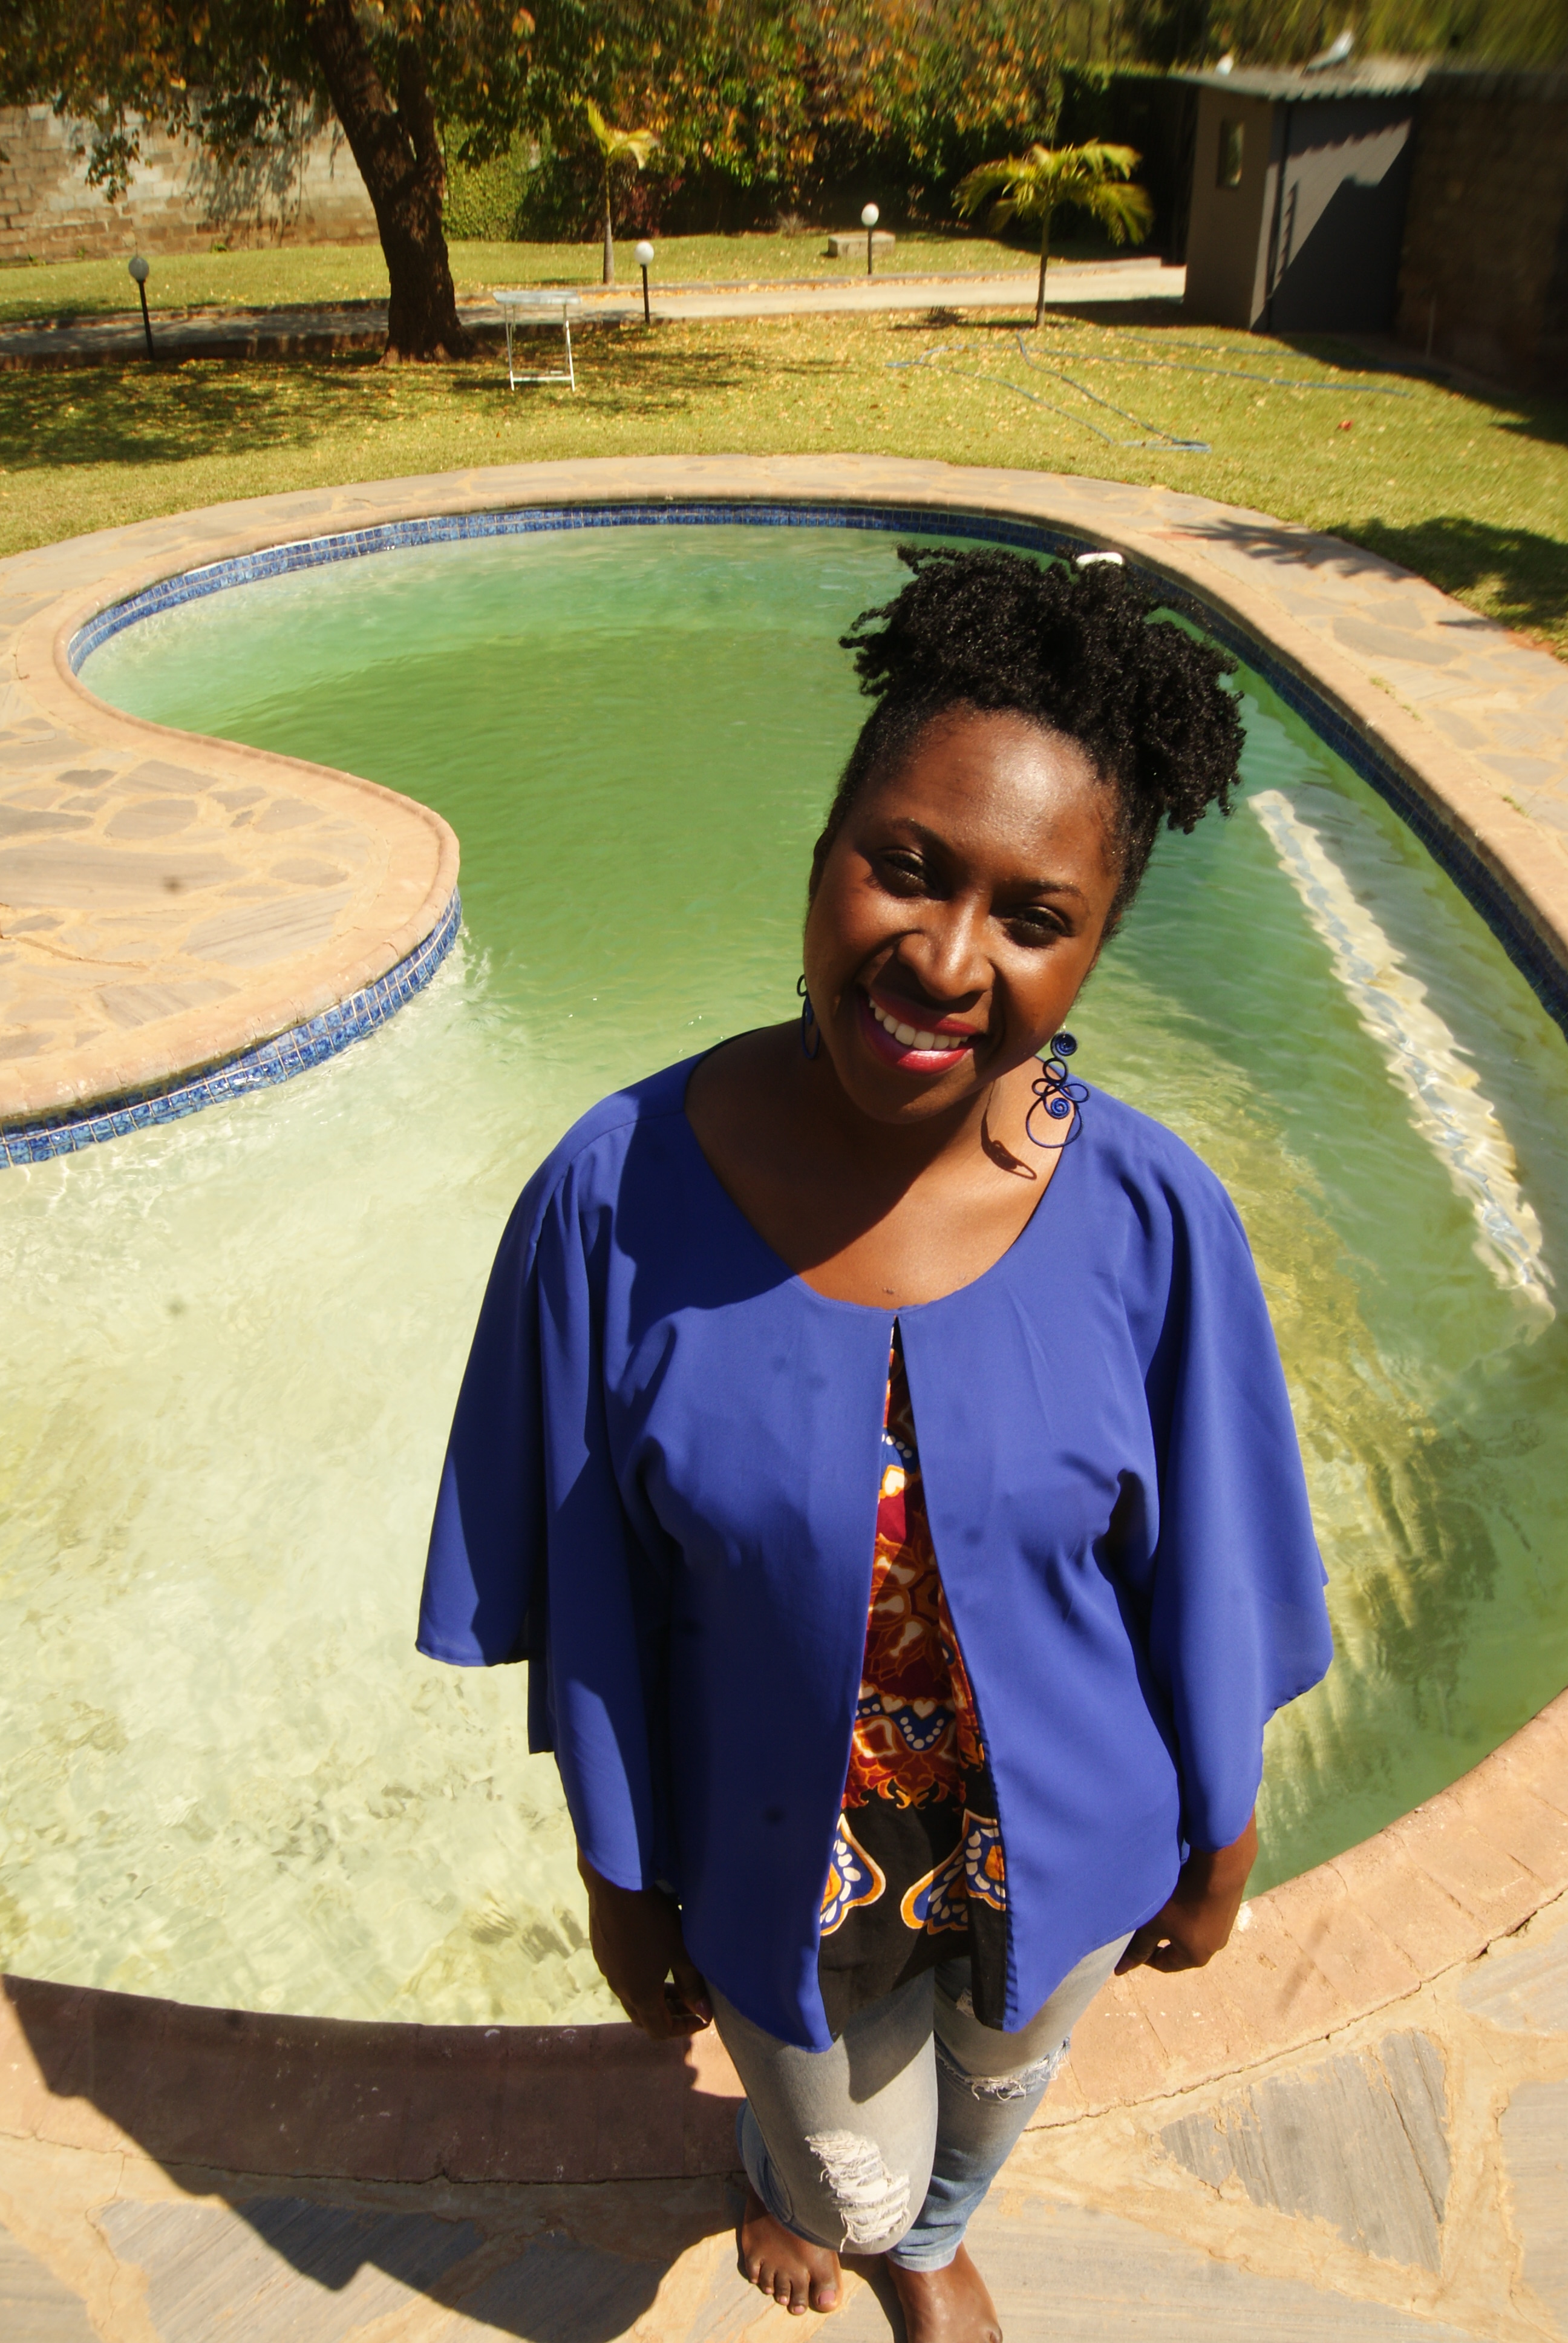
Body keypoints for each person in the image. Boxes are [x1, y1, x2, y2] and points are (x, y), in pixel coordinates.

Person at [418, 546, 1333, 2343]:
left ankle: (929, 2241)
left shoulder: (1154, 1219)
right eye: (906, 867)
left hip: (1061, 1834)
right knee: (840, 2164)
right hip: (777, 1848)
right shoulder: (613, 1198)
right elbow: (590, 1593)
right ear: (824, 843)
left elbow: (1214, 1568)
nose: (946, 958)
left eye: (1033, 915)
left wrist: (1221, 1836)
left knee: (992, 2097)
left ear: (1094, 945)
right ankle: (812, 2198)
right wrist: (620, 1880)